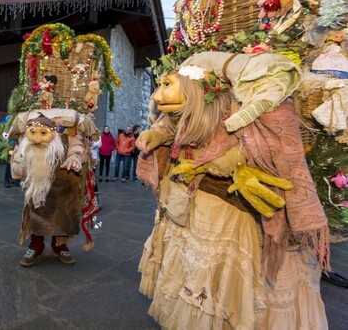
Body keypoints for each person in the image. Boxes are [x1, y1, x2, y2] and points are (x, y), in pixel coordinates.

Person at [136, 63, 329, 328]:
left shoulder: (235, 115)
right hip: (190, 204)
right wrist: (155, 135)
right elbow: (168, 127)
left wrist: (206, 164)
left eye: (166, 85)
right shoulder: (185, 118)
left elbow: (246, 149)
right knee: (190, 267)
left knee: (215, 277)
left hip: (224, 212)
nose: (158, 96)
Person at [11, 114, 87, 267]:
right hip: (37, 188)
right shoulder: (25, 144)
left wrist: (74, 159)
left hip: (62, 188)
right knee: (36, 215)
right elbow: (16, 162)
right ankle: (36, 246)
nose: (37, 139)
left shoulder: (66, 140)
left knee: (62, 216)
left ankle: (59, 245)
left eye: (43, 133)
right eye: (32, 132)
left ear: (53, 132)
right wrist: (21, 168)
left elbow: (78, 149)